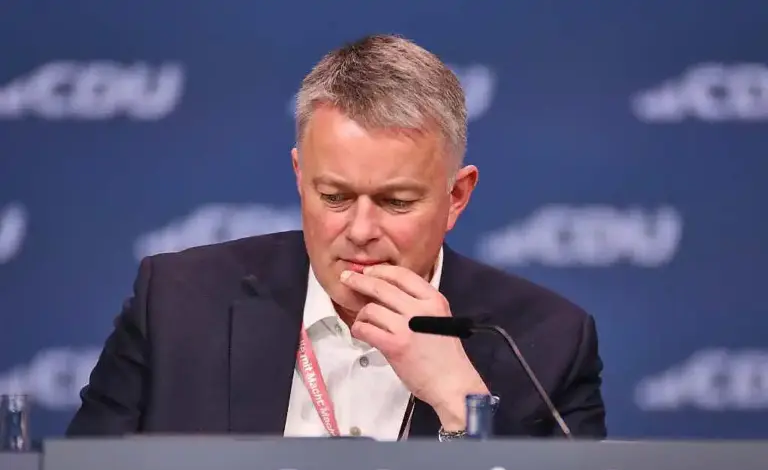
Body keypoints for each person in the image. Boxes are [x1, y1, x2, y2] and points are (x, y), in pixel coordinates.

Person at [66, 34, 607, 440]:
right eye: (334, 197)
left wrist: (464, 405)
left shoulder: (547, 343)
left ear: (457, 197)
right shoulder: (177, 303)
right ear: (300, 176)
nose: (361, 231)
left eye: (396, 202)